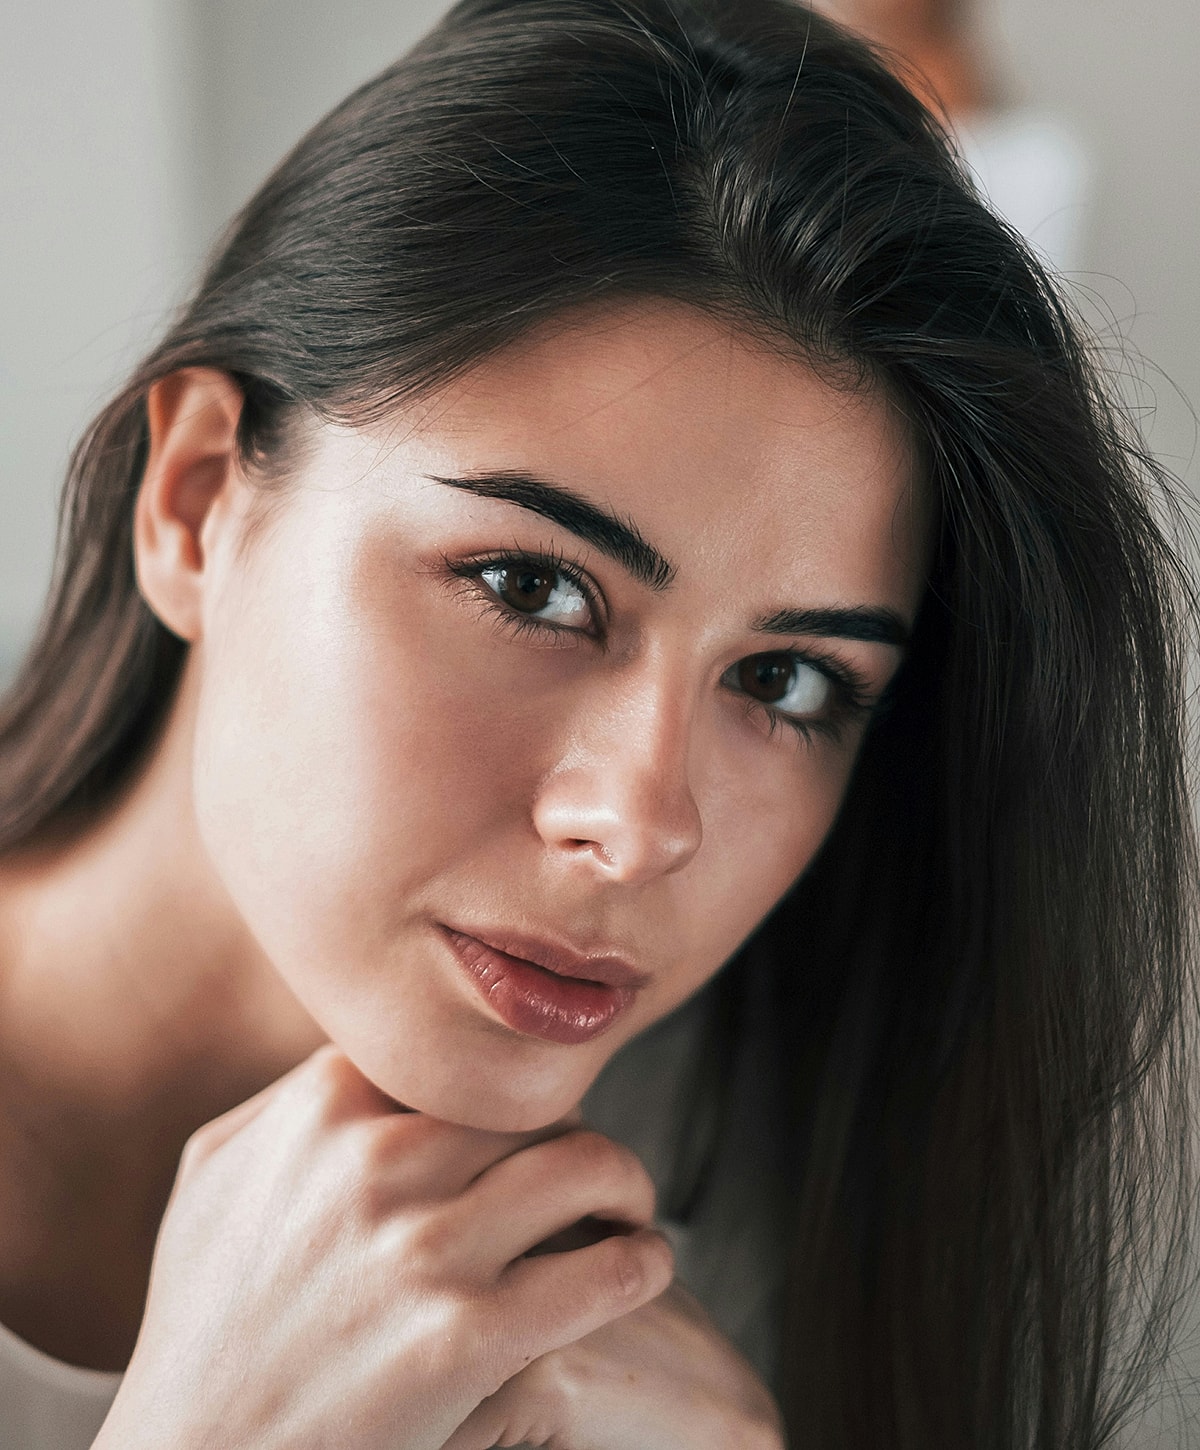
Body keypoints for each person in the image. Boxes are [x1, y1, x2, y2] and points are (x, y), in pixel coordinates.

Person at [0, 1, 1194, 1446]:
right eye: (531, 586)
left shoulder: (783, 1188)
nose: (641, 823)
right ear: (195, 501)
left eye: (785, 683)